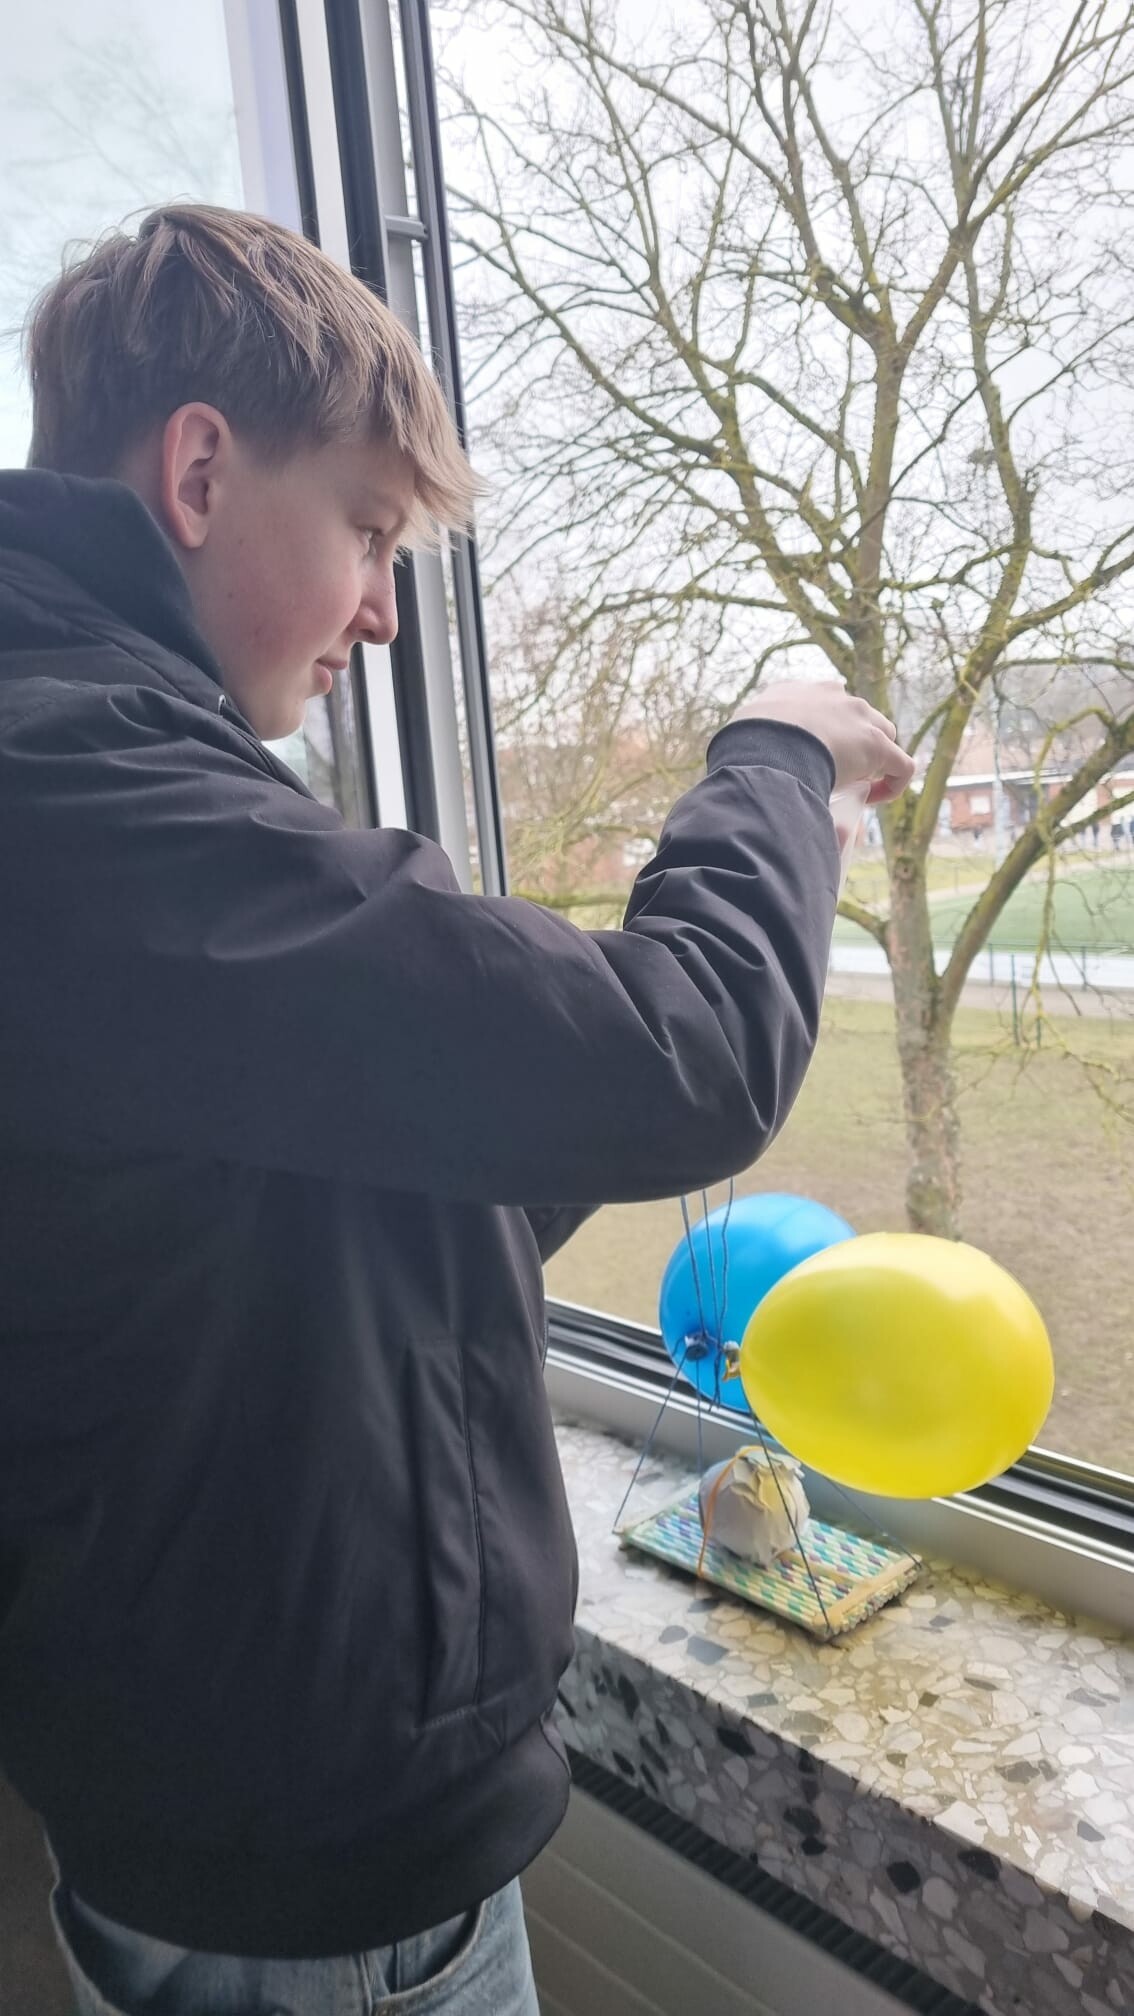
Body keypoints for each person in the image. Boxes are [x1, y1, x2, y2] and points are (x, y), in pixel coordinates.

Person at [0, 205, 914, 2016]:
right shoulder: (80, 792)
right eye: (364, 528)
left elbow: (275, 1218)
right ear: (199, 469)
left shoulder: (91, 772)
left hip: (231, 1821)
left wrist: (507, 1112)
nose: (381, 610)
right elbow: (679, 1055)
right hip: (310, 1897)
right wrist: (776, 758)